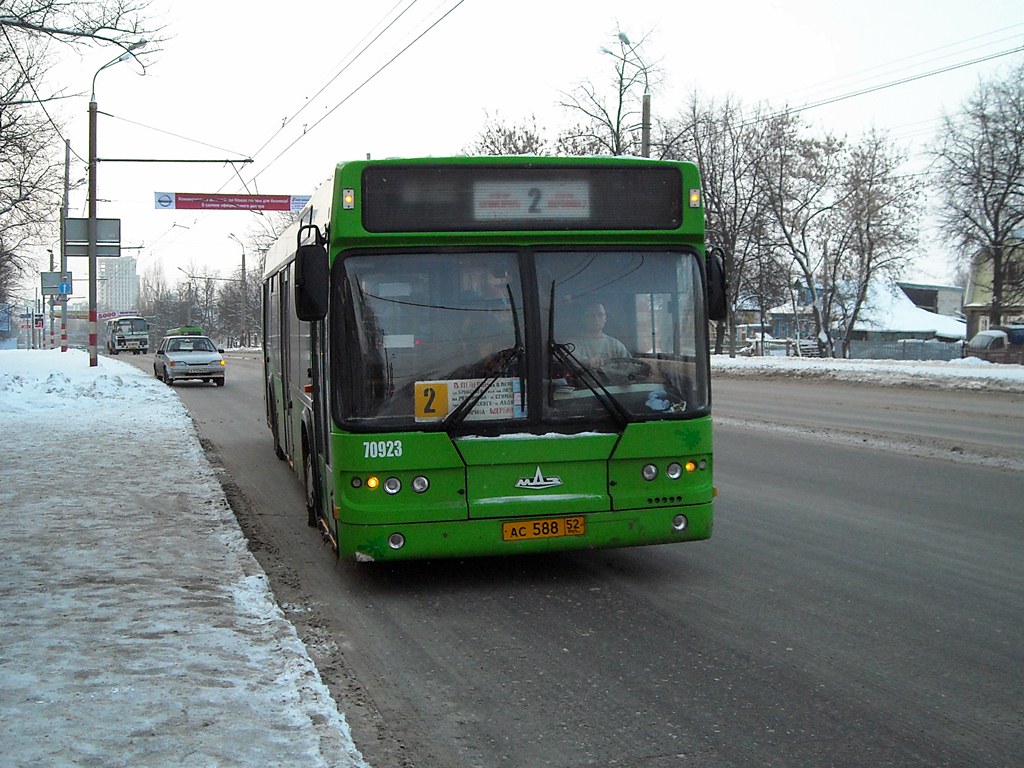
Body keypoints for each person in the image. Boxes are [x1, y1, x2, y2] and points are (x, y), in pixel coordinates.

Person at [569, 302, 629, 369]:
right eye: (591, 315)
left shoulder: (615, 345)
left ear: (605, 318)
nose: (596, 319)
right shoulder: (574, 343)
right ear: (583, 319)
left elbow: (629, 365)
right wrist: (587, 362)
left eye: (600, 315)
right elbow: (569, 357)